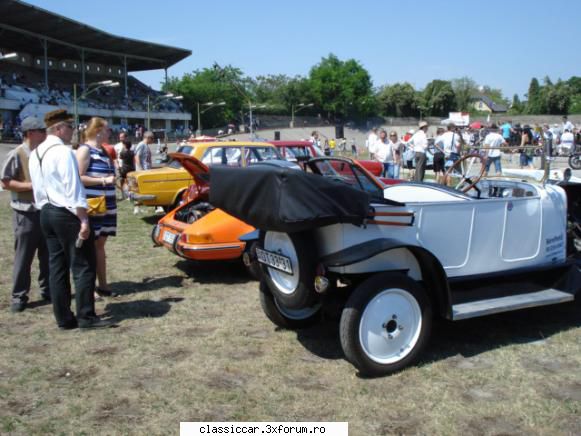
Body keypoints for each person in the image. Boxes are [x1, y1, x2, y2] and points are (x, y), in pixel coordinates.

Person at [28, 109, 113, 329]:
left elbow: (38, 187)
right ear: (58, 128)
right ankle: (86, 316)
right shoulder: (63, 152)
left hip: (45, 211)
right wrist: (83, 219)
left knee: (57, 267)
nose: (73, 131)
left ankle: (64, 318)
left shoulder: (36, 153)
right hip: (65, 212)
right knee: (84, 265)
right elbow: (73, 187)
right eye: (69, 127)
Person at [1, 116, 50, 312]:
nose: (45, 134)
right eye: (42, 131)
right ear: (30, 133)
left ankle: (48, 290)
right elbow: (6, 182)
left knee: (47, 255)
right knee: (24, 257)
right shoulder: (16, 154)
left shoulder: (43, 154)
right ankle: (19, 296)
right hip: (25, 213)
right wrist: (32, 185)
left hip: (44, 211)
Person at [75, 117, 118, 299]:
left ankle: (103, 284)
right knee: (90, 247)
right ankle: (89, 287)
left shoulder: (103, 151)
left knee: (100, 245)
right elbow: (79, 177)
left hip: (106, 205)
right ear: (98, 130)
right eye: (107, 130)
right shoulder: (85, 150)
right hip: (93, 205)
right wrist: (103, 180)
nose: (109, 133)